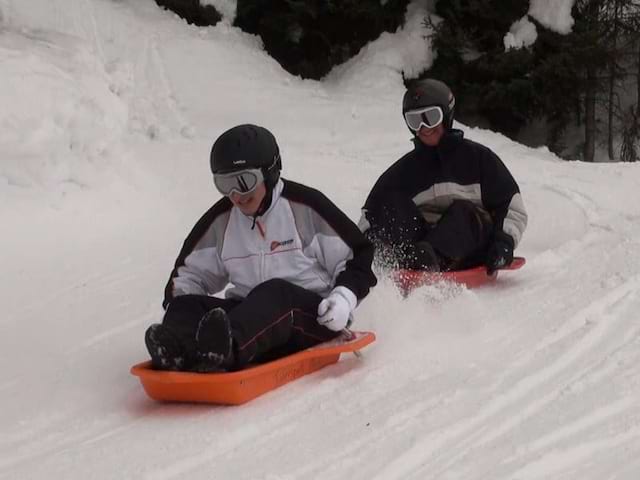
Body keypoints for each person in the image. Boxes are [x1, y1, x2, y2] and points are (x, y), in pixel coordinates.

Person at [145, 124, 377, 372]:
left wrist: (343, 298)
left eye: (244, 181)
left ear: (269, 172)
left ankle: (224, 351)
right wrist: (182, 317)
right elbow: (189, 275)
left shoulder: (304, 207)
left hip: (312, 320)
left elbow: (358, 257)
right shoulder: (221, 221)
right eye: (225, 184)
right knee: (186, 305)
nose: (236, 195)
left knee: (274, 293)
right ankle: (182, 351)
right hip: (252, 321)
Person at [359, 78, 528, 273]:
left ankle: (431, 257)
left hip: (470, 251)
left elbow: (511, 205)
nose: (423, 127)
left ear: (447, 115)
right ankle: (412, 262)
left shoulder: (479, 159)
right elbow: (370, 215)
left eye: (431, 117)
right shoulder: (403, 171)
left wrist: (504, 242)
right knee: (391, 202)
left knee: (465, 212)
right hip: (417, 255)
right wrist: (372, 246)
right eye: (415, 120)